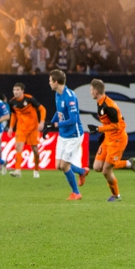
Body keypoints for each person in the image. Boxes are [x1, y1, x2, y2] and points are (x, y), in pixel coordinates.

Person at [90, 78, 135, 202]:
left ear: (96, 92)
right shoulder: (100, 102)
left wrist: (99, 129)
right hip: (108, 138)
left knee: (106, 171)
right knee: (96, 167)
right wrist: (104, 132)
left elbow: (116, 125)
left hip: (118, 139)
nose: (90, 92)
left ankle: (116, 196)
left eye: (91, 90)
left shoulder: (109, 106)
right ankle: (128, 163)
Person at [47, 70, 90, 201]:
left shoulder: (70, 96)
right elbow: (59, 111)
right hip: (63, 135)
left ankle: (76, 193)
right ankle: (82, 171)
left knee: (65, 165)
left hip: (73, 135)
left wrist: (56, 125)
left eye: (50, 81)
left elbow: (73, 120)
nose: (49, 83)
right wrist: (50, 123)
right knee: (58, 166)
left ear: (55, 82)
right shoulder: (57, 95)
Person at [7, 82, 46, 178]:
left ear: (22, 91)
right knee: (18, 147)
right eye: (14, 90)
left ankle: (36, 169)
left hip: (33, 128)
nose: (15, 92)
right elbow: (14, 115)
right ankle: (18, 170)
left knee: (35, 150)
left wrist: (41, 122)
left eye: (17, 90)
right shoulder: (12, 102)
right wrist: (11, 127)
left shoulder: (29, 99)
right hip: (21, 128)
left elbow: (42, 109)